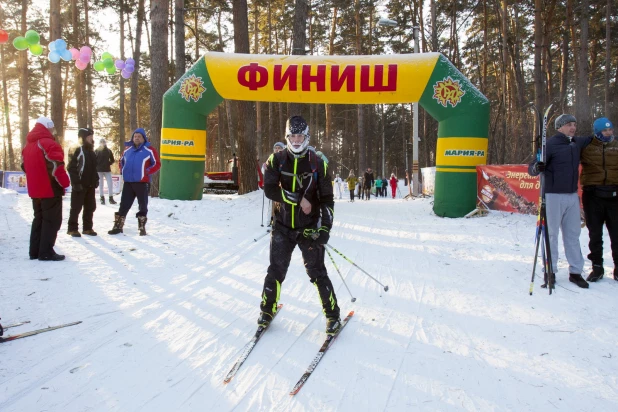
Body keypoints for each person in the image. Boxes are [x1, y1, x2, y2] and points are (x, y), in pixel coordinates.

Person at [259, 115, 341, 335]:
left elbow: (327, 199)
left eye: (300, 136)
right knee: (275, 271)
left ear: (307, 137)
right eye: (292, 136)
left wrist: (325, 229)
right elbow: (269, 189)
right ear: (287, 137)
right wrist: (297, 198)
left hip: (309, 228)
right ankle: (267, 311)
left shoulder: (318, 163)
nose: (296, 141)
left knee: (317, 273)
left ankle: (333, 316)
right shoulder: (277, 159)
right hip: (282, 226)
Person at [529, 114, 592, 289]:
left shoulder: (576, 143)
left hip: (572, 196)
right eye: (569, 125)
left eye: (574, 124)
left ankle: (575, 272)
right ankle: (550, 272)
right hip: (552, 195)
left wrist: (607, 134)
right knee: (551, 235)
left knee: (573, 235)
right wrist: (537, 167)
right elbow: (532, 168)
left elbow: (597, 139)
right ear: (559, 127)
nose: (573, 127)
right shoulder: (549, 144)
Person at [21, 117, 70, 261]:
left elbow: (24, 166)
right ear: (48, 127)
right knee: (52, 221)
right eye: (52, 128)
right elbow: (57, 166)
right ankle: (46, 251)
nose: (52, 130)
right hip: (49, 189)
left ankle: (35, 251)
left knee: (39, 219)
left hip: (35, 190)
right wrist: (65, 183)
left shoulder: (28, 146)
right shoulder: (48, 144)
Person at [580, 117, 618, 282]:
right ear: (597, 132)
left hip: (614, 195)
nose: (609, 133)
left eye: (610, 130)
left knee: (616, 233)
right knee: (595, 234)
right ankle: (597, 267)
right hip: (593, 195)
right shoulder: (586, 147)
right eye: (605, 130)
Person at [108, 128, 161, 236]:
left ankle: (142, 227)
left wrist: (147, 171)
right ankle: (118, 226)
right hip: (128, 183)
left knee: (142, 205)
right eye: (135, 136)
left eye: (139, 136)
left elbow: (157, 164)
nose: (136, 138)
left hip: (142, 182)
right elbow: (121, 161)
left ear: (143, 138)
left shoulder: (149, 150)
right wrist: (122, 170)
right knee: (124, 204)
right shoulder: (127, 150)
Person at [67, 128, 99, 237]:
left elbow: (94, 168)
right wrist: (76, 182)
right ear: (83, 137)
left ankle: (87, 228)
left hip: (90, 185)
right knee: (76, 207)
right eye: (89, 137)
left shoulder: (91, 151)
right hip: (79, 184)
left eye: (92, 137)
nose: (91, 139)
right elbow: (71, 167)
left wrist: (96, 179)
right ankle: (72, 228)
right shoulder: (76, 149)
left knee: (90, 207)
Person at [95, 138, 116, 205]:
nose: (102, 143)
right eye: (101, 142)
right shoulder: (96, 151)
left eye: (103, 142)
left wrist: (108, 163)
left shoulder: (109, 151)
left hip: (107, 170)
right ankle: (102, 198)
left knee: (110, 184)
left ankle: (111, 198)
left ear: (105, 143)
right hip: (99, 170)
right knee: (101, 184)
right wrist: (97, 166)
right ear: (99, 143)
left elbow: (112, 160)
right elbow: (94, 160)